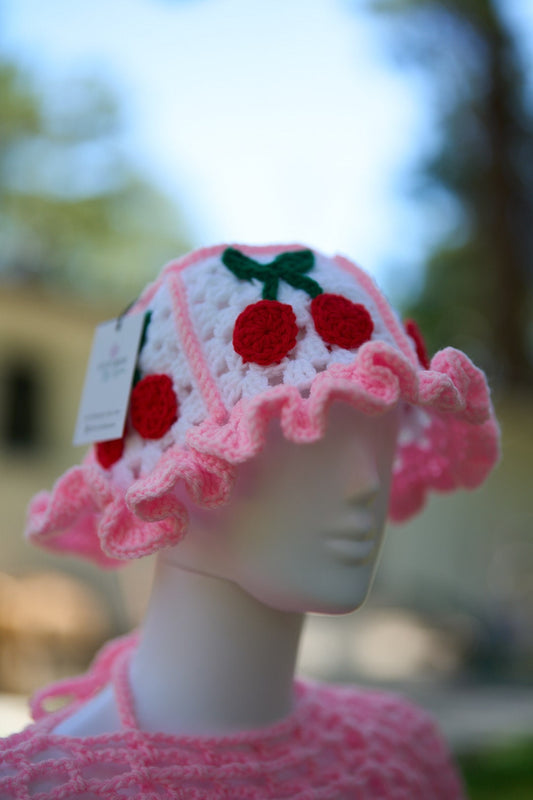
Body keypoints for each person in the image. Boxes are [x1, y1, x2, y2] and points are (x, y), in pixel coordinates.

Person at [0, 243, 500, 798]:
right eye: (305, 425)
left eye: (383, 428)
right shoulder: (35, 787)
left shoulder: (405, 756)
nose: (367, 483)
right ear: (174, 470)